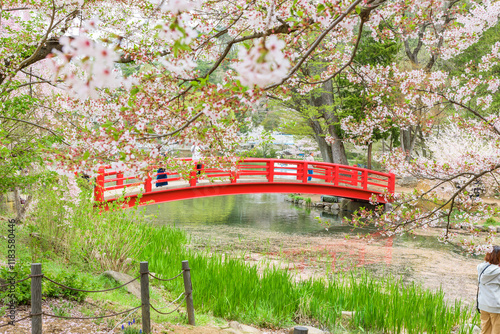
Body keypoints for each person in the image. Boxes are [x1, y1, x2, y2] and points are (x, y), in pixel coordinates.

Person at [477, 246, 500, 334]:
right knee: (497, 331)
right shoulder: (498, 272)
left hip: (483, 304)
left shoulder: (481, 268)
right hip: (496, 306)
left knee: (485, 330)